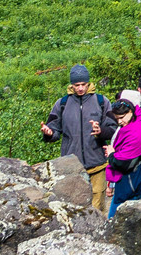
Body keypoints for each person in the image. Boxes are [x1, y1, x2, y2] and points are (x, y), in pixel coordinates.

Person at [40, 66, 113, 213]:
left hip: (97, 164)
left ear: (88, 83)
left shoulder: (101, 102)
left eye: (83, 85)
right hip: (71, 167)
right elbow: (54, 130)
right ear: (71, 85)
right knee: (73, 209)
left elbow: (113, 129)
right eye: (76, 85)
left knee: (96, 209)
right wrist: (49, 133)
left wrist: (101, 131)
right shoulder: (62, 104)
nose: (80, 88)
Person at [105, 89, 141, 207]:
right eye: (117, 118)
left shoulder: (134, 131)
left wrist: (111, 155)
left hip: (131, 181)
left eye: (122, 117)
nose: (119, 121)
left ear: (131, 110)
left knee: (114, 216)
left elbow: (124, 162)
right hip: (140, 178)